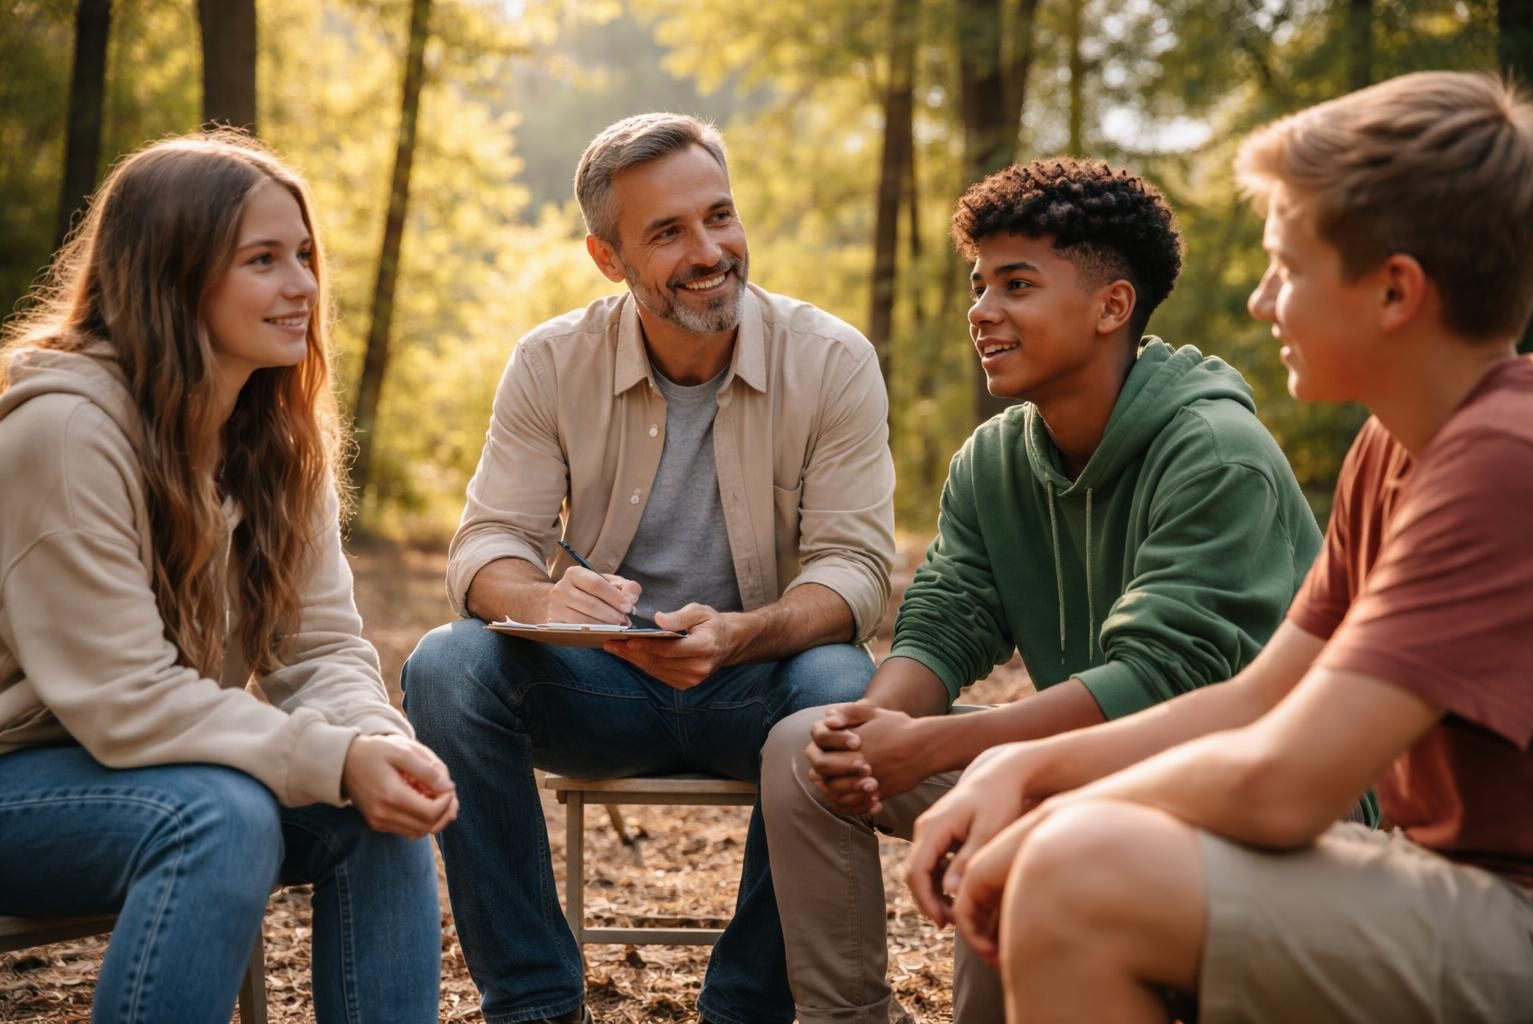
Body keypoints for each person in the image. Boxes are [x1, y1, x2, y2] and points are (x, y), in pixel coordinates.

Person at [908, 70, 1533, 1023]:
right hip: (1445, 884)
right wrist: (1019, 769)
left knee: (1076, 874)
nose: (1259, 300)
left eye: (1287, 267)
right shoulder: (1393, 445)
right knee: (1062, 848)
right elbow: (1256, 699)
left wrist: (1045, 790)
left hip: (1510, 913)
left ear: (1394, 291)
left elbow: (1285, 784)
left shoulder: (1502, 462)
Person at [761, 157, 1338, 1024]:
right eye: (979, 285)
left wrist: (937, 747)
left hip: (1245, 794)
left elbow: (1162, 680)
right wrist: (875, 733)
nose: (982, 310)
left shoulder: (1216, 452)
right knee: (804, 749)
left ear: (1112, 307)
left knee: (1010, 807)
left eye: (1017, 284)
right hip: (1071, 769)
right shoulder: (993, 460)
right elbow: (946, 621)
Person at [401, 112, 895, 1024]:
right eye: (668, 232)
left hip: (760, 685)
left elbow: (856, 569)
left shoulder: (832, 360)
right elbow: (486, 545)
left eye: (720, 216)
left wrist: (740, 636)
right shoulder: (551, 361)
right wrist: (547, 601)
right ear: (608, 257)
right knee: (446, 666)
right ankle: (535, 1003)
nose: (709, 252)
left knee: (840, 684)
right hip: (600, 688)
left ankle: (744, 1010)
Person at [0, 131, 455, 1022]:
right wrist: (335, 758)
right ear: (174, 277)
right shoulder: (62, 435)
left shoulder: (274, 435)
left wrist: (373, 742)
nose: (304, 285)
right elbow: (127, 697)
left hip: (154, 769)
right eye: (263, 260)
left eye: (305, 255)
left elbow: (320, 649)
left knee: (382, 805)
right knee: (220, 814)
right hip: (24, 778)